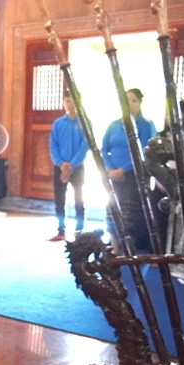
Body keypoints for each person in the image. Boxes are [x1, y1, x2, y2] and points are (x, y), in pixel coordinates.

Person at [100, 88, 156, 254]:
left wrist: (124, 169)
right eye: (126, 100)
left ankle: (131, 246)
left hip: (134, 175)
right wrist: (111, 169)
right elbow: (104, 149)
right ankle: (115, 245)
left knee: (130, 211)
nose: (129, 104)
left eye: (133, 100)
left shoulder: (145, 125)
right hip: (113, 175)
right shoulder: (114, 125)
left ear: (139, 103)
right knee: (112, 208)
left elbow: (145, 152)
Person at [48, 92, 89, 241]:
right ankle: (61, 231)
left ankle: (79, 231)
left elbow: (85, 147)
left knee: (79, 198)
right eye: (67, 101)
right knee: (60, 199)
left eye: (73, 101)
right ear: (64, 102)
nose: (70, 104)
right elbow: (53, 146)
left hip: (77, 167)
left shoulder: (85, 122)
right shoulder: (58, 123)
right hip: (60, 167)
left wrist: (71, 165)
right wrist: (61, 163)